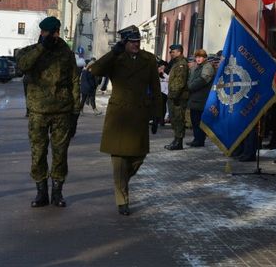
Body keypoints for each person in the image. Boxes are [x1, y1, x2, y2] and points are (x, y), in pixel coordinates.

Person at [87, 25, 161, 216]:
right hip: (119, 116)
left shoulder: (149, 59)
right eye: (132, 42)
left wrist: (157, 113)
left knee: (138, 157)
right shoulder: (116, 58)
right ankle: (122, 199)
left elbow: (155, 87)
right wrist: (113, 53)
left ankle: (121, 182)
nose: (136, 44)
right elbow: (95, 70)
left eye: (138, 41)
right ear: (124, 42)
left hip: (140, 114)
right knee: (119, 160)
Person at [16, 16, 81, 208]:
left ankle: (57, 193)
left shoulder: (66, 53)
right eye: (47, 32)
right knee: (38, 153)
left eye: (53, 33)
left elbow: (74, 81)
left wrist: (75, 112)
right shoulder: (31, 51)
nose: (51, 36)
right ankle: (41, 193)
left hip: (62, 112)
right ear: (41, 32)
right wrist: (41, 47)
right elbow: (22, 66)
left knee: (60, 154)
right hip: (38, 111)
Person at [186, 49, 215, 147]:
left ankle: (199, 140)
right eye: (197, 57)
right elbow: (191, 78)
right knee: (194, 120)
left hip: (202, 98)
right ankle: (196, 139)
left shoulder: (207, 67)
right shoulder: (196, 67)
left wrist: (190, 86)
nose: (198, 59)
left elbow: (202, 80)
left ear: (205, 58)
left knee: (199, 121)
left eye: (200, 57)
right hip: (194, 98)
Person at [165, 44, 189, 151]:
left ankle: (179, 142)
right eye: (170, 52)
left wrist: (174, 96)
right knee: (174, 119)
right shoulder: (176, 63)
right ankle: (176, 140)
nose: (171, 53)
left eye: (173, 52)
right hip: (173, 96)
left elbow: (180, 82)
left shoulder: (181, 64)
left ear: (179, 52)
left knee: (178, 119)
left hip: (178, 97)